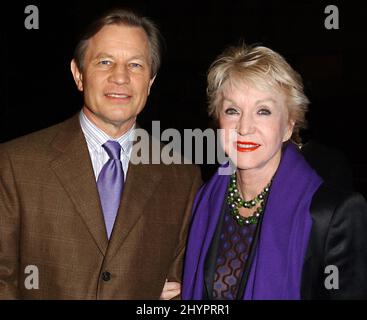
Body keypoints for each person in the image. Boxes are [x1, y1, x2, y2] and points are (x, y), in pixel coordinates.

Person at [0, 8, 201, 299]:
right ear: (78, 74)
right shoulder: (14, 164)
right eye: (105, 62)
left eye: (135, 65)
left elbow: (184, 285)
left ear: (151, 81)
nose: (120, 77)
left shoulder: (182, 177)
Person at [182, 44, 367, 299]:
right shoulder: (204, 199)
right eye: (232, 110)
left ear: (289, 126)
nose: (245, 127)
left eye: (263, 111)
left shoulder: (334, 213)